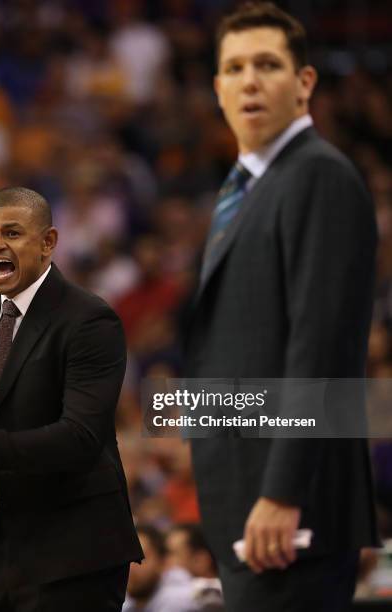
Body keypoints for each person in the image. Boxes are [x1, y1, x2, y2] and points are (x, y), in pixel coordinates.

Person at [185, 2, 379, 611]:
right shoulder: (247, 185)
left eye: (267, 64)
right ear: (217, 87)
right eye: (235, 67)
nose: (249, 80)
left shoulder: (317, 176)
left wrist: (283, 490)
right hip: (249, 507)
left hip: (289, 516)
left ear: (304, 83)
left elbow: (320, 346)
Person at [0, 186, 143, 611]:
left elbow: (79, 437)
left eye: (12, 233)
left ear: (48, 242)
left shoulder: (89, 319)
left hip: (74, 552)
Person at [122, 525, 199, 612]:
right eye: (126, 560)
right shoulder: (126, 604)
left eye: (139, 560)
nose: (131, 567)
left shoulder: (181, 598)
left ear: (162, 561)